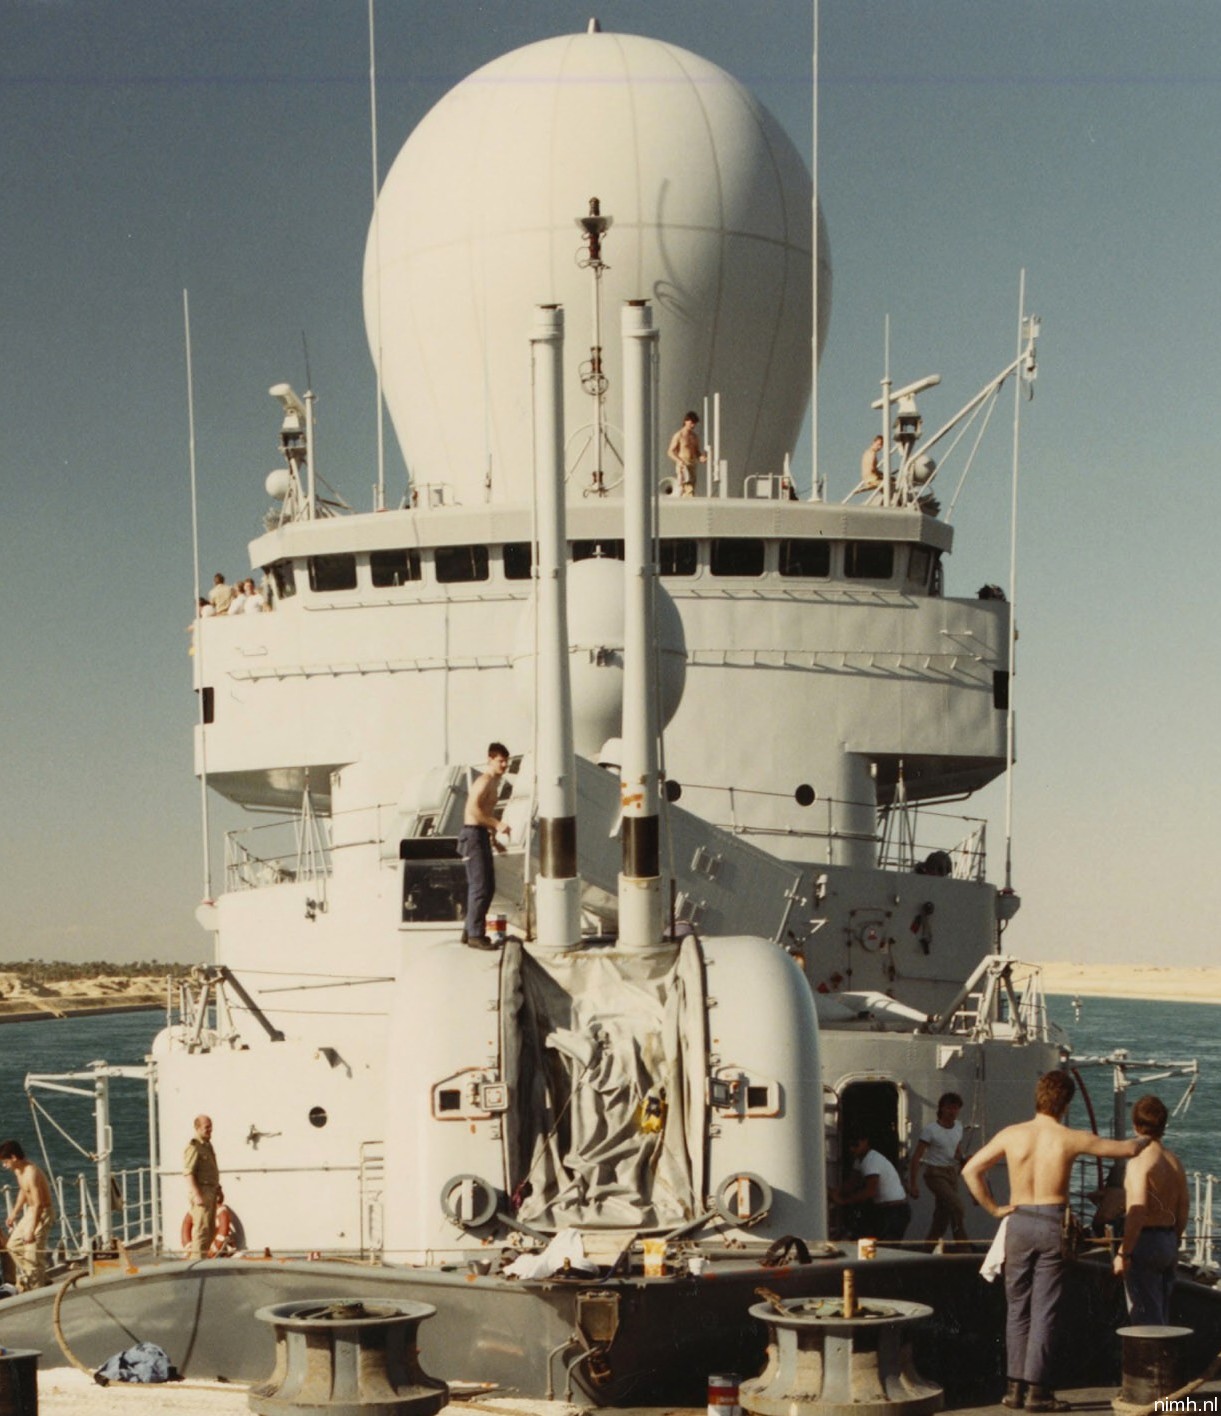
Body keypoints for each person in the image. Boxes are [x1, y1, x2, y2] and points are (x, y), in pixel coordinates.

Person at [963, 1070, 1148, 1413]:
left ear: (1038, 1097)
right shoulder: (1068, 1137)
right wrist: (1146, 1139)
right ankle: (1038, 1393)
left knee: (1017, 1307)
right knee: (1044, 1309)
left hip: (1017, 1221)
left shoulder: (1012, 1135)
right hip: (1050, 1223)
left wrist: (994, 1208)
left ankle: (1013, 1390)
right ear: (1065, 1103)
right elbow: (1124, 1150)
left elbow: (970, 1170)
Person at [1113, 1094, 1188, 1326]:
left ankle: (1150, 1362)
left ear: (1136, 1125)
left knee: (1146, 1319)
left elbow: (1137, 1210)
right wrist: (1174, 1240)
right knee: (1162, 1312)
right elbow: (1183, 1207)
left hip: (1145, 1242)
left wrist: (1123, 1252)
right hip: (1168, 1239)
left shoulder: (1140, 1162)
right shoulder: (1174, 1161)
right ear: (1163, 1126)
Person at [459, 743, 511, 949]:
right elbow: (472, 809)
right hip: (472, 835)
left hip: (480, 835)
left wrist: (494, 839)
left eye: (506, 761)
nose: (505, 765)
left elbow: (484, 814)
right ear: (490, 759)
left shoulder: (494, 784)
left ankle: (469, 930)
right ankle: (475, 934)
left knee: (488, 887)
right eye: (500, 761)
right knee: (480, 886)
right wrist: (497, 824)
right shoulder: (484, 781)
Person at [908, 1091, 969, 1244]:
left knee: (942, 1216)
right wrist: (913, 1184)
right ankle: (964, 1246)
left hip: (951, 1173)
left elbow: (956, 1148)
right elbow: (916, 1157)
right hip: (935, 1174)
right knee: (957, 1206)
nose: (952, 1112)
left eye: (955, 1108)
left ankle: (927, 1250)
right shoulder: (931, 1130)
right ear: (941, 1109)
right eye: (949, 1108)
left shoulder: (959, 1127)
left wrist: (962, 1160)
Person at [830, 1132, 911, 1241]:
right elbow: (853, 1181)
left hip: (894, 1211)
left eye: (855, 1145)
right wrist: (836, 1192)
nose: (852, 1149)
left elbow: (869, 1191)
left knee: (887, 1248)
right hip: (883, 1210)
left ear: (865, 1141)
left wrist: (845, 1201)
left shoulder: (871, 1160)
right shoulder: (860, 1160)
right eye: (850, 1146)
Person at [0, 1140, 54, 1290]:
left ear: (13, 1157)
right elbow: (24, 1191)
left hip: (43, 1212)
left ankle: (36, 1289)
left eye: (5, 1162)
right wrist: (14, 1214)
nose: (4, 1166)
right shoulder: (18, 1171)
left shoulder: (32, 1173)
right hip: (31, 1211)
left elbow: (38, 1204)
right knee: (12, 1246)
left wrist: (31, 1230)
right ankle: (40, 1275)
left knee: (32, 1255)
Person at [183, 1114, 220, 1259]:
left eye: (211, 1126)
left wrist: (218, 1189)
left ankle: (203, 1263)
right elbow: (188, 1173)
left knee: (209, 1232)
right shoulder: (194, 1147)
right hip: (202, 1193)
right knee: (201, 1232)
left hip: (210, 1191)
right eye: (207, 1127)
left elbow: (211, 1170)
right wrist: (197, 1195)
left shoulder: (207, 1145)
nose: (210, 1129)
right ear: (197, 1128)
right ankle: (196, 1267)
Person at [667, 411, 705, 497]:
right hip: (683, 464)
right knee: (688, 488)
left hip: (692, 464)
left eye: (694, 423)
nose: (693, 425)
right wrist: (679, 461)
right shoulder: (679, 435)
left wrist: (701, 457)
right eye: (691, 423)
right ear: (686, 421)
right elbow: (670, 451)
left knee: (690, 488)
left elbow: (696, 451)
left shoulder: (694, 436)